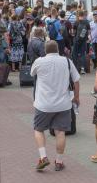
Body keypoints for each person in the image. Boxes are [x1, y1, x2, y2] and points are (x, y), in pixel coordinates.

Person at [31, 41, 80, 171]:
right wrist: (76, 97)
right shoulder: (67, 61)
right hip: (63, 104)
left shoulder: (39, 61)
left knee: (38, 129)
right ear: (58, 50)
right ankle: (58, 161)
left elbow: (32, 73)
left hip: (43, 104)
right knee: (60, 132)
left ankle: (43, 157)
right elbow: (76, 80)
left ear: (45, 51)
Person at [72, 10, 90, 74]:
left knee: (75, 54)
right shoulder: (86, 22)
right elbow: (88, 32)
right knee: (82, 54)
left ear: (78, 15)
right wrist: (88, 38)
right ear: (84, 15)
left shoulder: (76, 22)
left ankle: (76, 69)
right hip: (84, 41)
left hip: (76, 40)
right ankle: (82, 69)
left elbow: (73, 32)